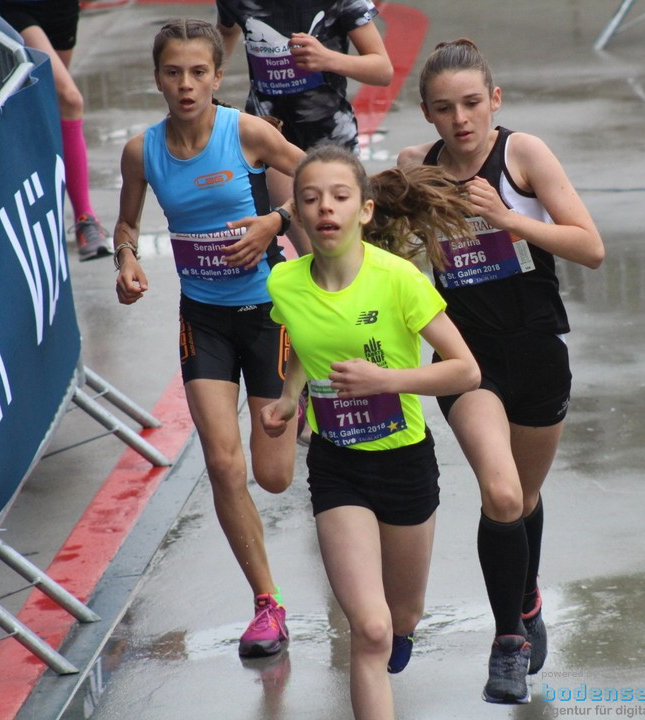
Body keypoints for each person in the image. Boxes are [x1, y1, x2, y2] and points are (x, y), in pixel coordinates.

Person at [397, 38, 605, 704]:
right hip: (468, 361)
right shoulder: (415, 167)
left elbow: (590, 247)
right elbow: (376, 237)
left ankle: (527, 593)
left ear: (495, 100)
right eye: (443, 108)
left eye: (470, 104)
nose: (460, 120)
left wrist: (507, 217)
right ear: (426, 114)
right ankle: (508, 642)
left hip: (538, 352)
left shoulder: (523, 155)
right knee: (503, 494)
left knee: (526, 496)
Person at [260, 143, 480, 720]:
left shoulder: (399, 279)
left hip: (404, 462)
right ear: (299, 214)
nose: (325, 208)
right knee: (371, 628)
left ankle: (402, 631)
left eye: (339, 197)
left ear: (364, 210)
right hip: (338, 469)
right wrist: (288, 399)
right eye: (311, 199)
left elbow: (465, 369)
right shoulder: (285, 284)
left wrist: (386, 380)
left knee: (402, 616)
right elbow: (305, 350)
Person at [113, 18, 305, 659]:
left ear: (218, 77)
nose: (186, 84)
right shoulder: (143, 151)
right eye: (174, 72)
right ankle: (267, 606)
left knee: (274, 477)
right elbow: (126, 223)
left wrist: (273, 220)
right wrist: (127, 261)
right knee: (225, 465)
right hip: (204, 320)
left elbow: (325, 181)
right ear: (158, 77)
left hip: (268, 314)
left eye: (199, 71)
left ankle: (302, 391)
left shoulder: (245, 132)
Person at [215, 0, 393, 254]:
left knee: (341, 250)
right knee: (309, 252)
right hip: (271, 139)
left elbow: (382, 69)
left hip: (331, 141)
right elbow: (227, 30)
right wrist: (208, 75)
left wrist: (327, 58)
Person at [0, 0, 114, 260]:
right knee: (70, 99)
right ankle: (85, 217)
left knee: (51, 106)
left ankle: (48, 214)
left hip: (62, 10)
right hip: (19, 7)